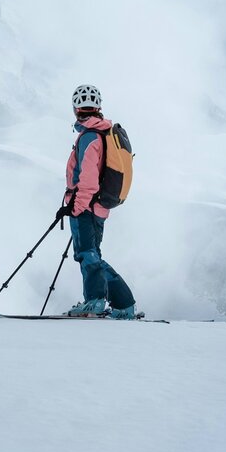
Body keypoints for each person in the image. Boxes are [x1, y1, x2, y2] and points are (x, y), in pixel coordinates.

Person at [57, 84, 138, 319]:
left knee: (87, 255)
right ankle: (110, 303)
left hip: (87, 207)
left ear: (75, 109)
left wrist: (75, 207)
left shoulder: (90, 136)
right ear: (98, 107)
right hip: (99, 207)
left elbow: (89, 179)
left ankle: (103, 302)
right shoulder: (103, 132)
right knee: (92, 255)